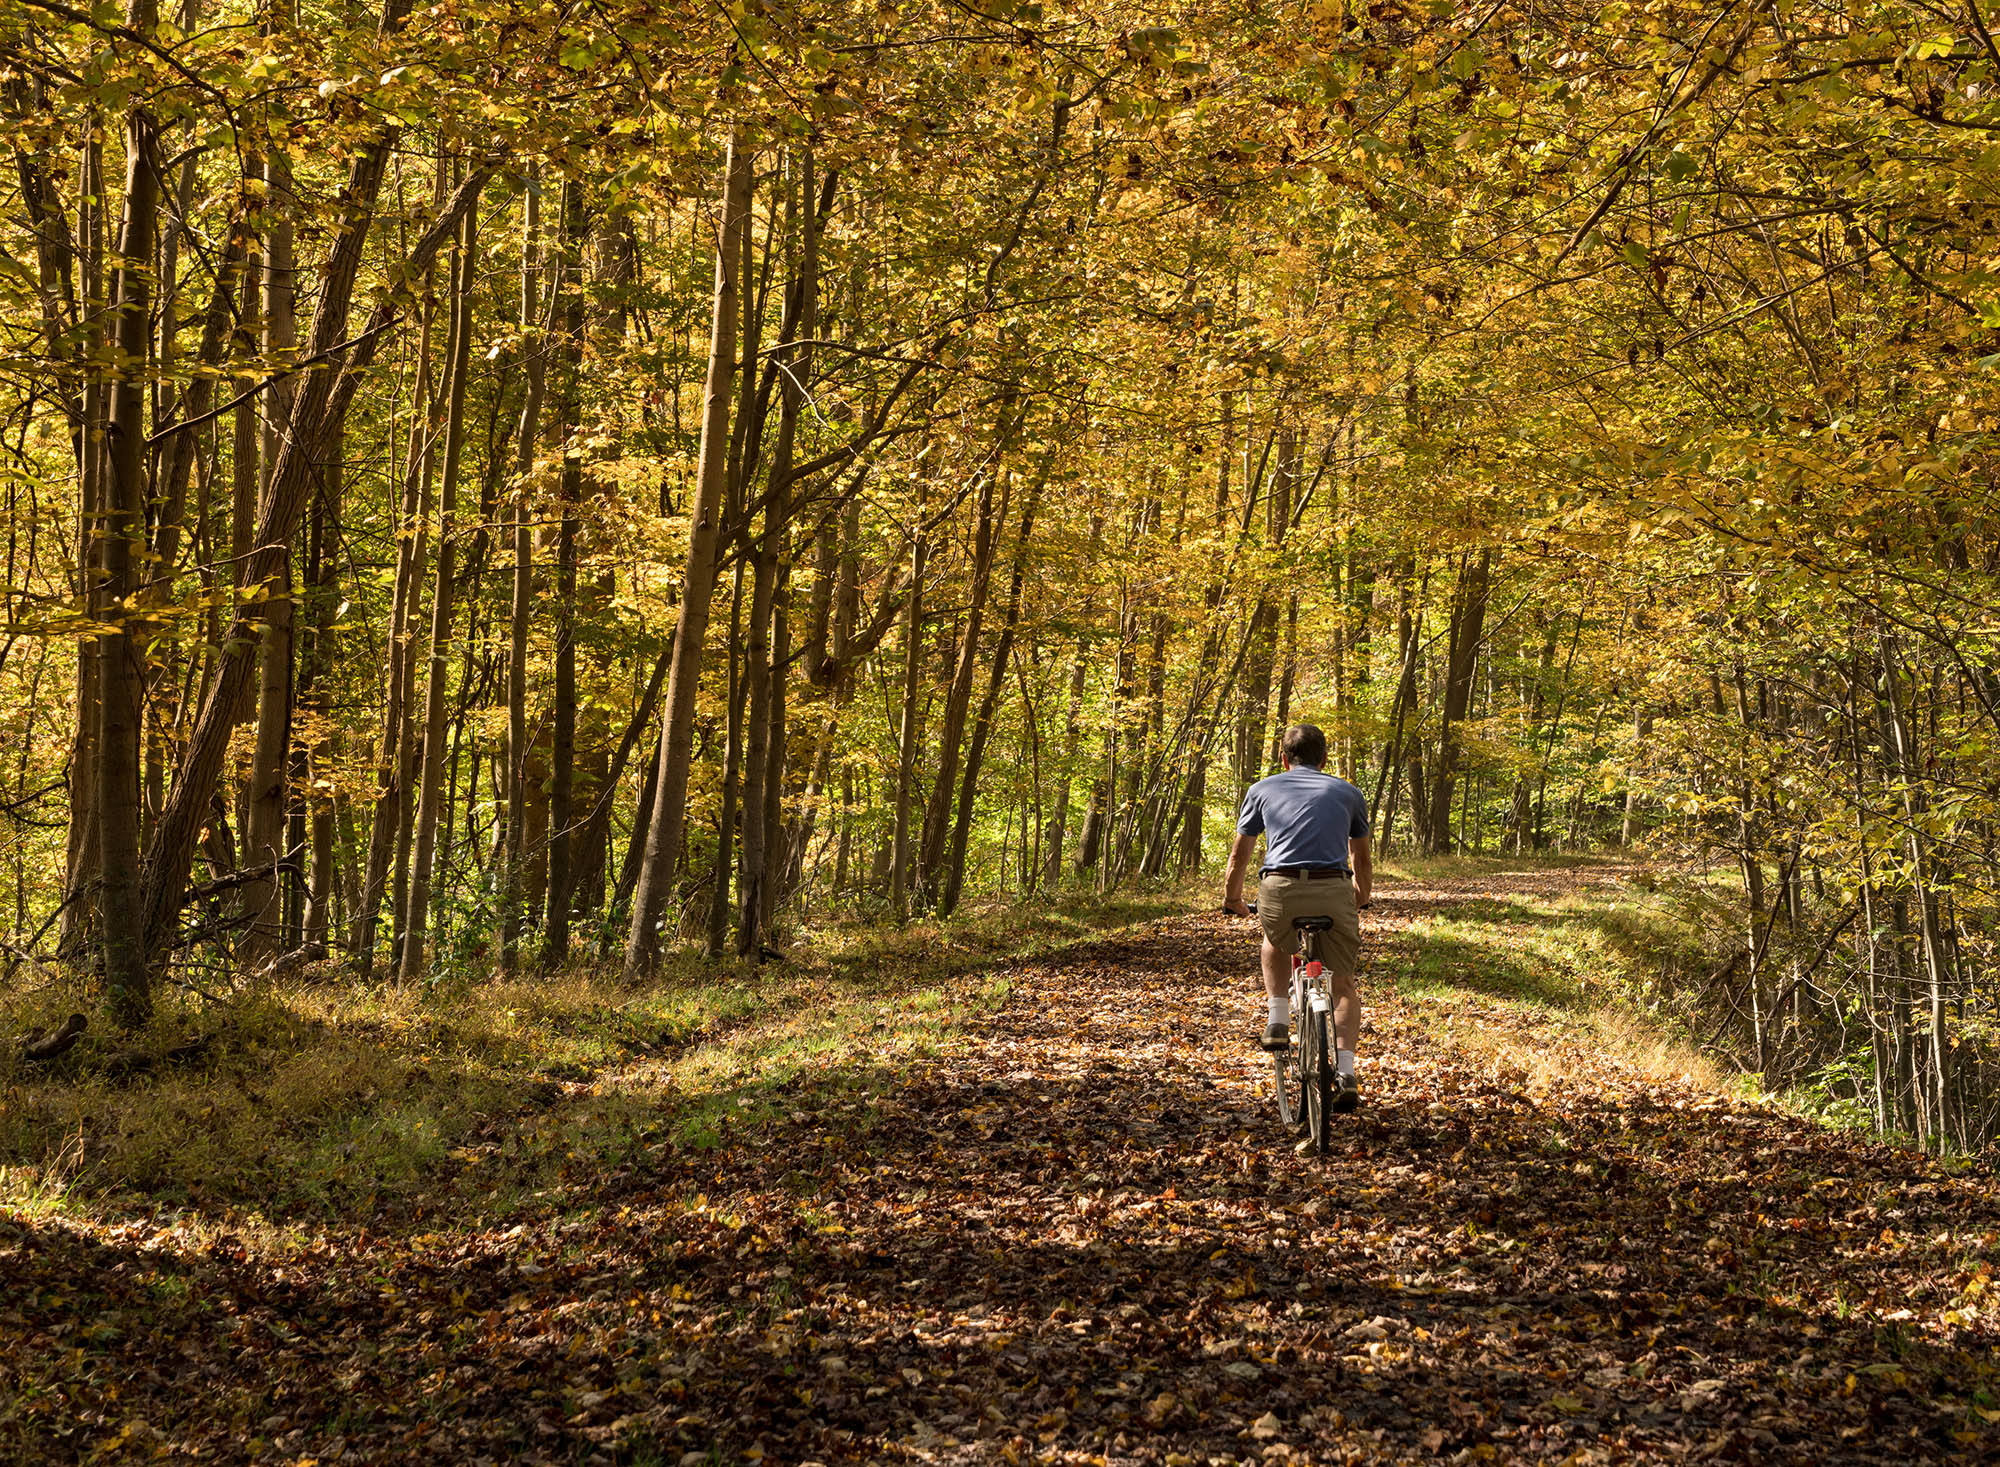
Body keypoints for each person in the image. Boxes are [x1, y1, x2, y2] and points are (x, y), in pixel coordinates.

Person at [1221, 723, 1372, 1111]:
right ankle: (1347, 1071)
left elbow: (1240, 854)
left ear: (1284, 759)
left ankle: (1278, 1019)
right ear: (1325, 758)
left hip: (1280, 888)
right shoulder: (1348, 793)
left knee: (1274, 940)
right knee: (1343, 985)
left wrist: (1232, 898)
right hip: (1334, 887)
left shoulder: (1262, 790)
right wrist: (1360, 897)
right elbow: (1361, 858)